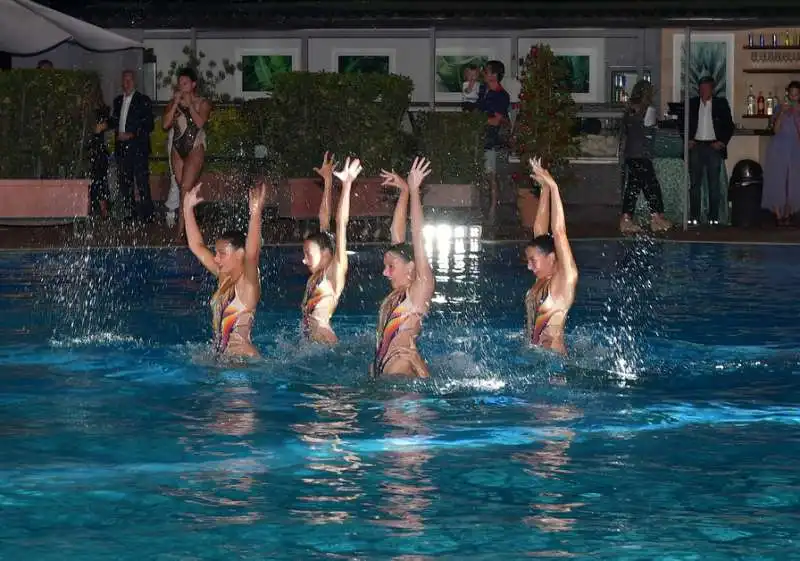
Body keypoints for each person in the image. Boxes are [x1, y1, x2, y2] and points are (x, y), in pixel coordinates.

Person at [183, 182, 267, 358]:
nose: (216, 258)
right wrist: (187, 208)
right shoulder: (224, 276)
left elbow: (252, 255)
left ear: (239, 254)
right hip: (222, 358)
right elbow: (196, 246)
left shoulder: (248, 284)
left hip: (243, 362)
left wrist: (255, 214)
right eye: (216, 253)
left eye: (222, 254)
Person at [372, 157, 435, 378]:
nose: (385, 272)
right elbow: (396, 238)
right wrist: (404, 192)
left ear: (411, 267)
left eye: (391, 266)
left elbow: (417, 236)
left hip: (400, 374)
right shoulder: (398, 294)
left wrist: (416, 192)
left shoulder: (418, 292)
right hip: (383, 371)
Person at [301, 153, 362, 345]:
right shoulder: (318, 271)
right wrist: (327, 182)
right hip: (311, 344)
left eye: (308, 255)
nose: (304, 260)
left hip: (325, 344)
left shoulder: (334, 271)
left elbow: (341, 225)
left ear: (326, 254)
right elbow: (324, 219)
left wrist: (346, 186)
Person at [524, 158, 579, 355]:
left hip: (554, 366)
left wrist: (554, 187)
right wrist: (544, 189)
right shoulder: (542, 279)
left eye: (533, 261)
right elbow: (539, 230)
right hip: (535, 358)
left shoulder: (564, 280)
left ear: (551, 258)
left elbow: (559, 232)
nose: (530, 266)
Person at [163, 67, 212, 237]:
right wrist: (176, 103)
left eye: (185, 83)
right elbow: (165, 125)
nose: (181, 86)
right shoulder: (173, 103)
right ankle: (193, 223)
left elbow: (199, 123)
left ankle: (182, 231)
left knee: (185, 188)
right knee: (185, 190)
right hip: (177, 149)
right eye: (180, 83)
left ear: (193, 84)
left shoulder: (202, 103)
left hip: (195, 147)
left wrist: (190, 105)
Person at [619, 80, 672, 234]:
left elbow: (627, 132)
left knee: (633, 187)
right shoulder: (649, 110)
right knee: (651, 186)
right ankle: (657, 218)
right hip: (642, 154)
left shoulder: (629, 111)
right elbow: (650, 129)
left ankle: (626, 220)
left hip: (630, 154)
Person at [684, 76, 735, 225]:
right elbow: (681, 123)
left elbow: (729, 126)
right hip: (696, 146)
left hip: (713, 147)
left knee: (714, 184)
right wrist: (687, 139)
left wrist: (722, 142)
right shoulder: (692, 104)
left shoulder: (720, 104)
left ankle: (713, 217)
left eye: (706, 88)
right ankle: (694, 217)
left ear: (711, 89)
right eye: (701, 88)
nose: (703, 91)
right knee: (694, 185)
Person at [111, 70, 155, 221]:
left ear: (135, 81)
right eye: (125, 80)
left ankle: (147, 215)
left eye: (130, 79)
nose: (127, 82)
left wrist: (132, 134)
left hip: (138, 147)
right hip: (122, 147)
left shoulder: (143, 100)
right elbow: (115, 121)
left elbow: (149, 125)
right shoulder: (117, 101)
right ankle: (130, 213)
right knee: (125, 183)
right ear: (122, 82)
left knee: (142, 181)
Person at [477, 60, 511, 225]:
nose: (484, 73)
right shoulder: (484, 90)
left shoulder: (501, 95)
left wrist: (477, 120)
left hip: (492, 140)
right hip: (481, 137)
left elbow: (496, 121)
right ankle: (486, 207)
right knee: (484, 174)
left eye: (487, 71)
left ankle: (492, 209)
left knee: (491, 175)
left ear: (494, 75)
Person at [762, 81, 800, 226]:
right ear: (787, 94)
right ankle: (778, 215)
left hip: (795, 149)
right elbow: (775, 130)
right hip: (778, 148)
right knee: (777, 180)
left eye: (796, 94)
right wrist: (782, 113)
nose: (793, 97)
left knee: (793, 182)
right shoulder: (779, 108)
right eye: (791, 94)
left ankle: (788, 214)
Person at [87, 105, 111, 219]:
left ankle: (102, 210)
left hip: (98, 153)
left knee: (99, 180)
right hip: (96, 152)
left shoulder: (97, 116)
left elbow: (101, 127)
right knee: (98, 181)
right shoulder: (94, 116)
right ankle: (100, 210)